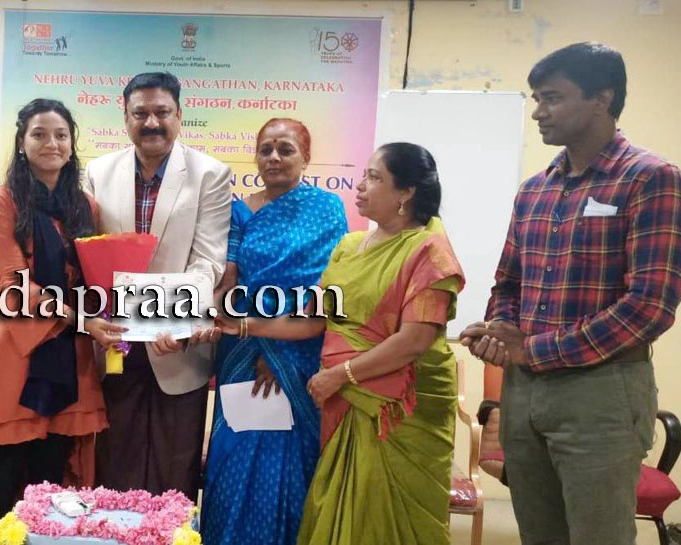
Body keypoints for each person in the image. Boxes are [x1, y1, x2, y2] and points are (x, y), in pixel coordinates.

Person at [459, 42, 681, 544]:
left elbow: (649, 306)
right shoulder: (534, 189)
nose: (538, 111)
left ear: (602, 99)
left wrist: (532, 349)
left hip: (600, 391)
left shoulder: (652, 179)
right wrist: (500, 331)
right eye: (536, 98)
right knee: (539, 534)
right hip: (524, 392)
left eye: (552, 97)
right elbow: (508, 282)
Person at [216, 142, 464, 544]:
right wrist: (243, 326)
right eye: (364, 175)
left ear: (406, 192)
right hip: (345, 400)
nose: (361, 185)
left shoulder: (430, 253)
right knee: (338, 506)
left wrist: (341, 375)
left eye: (374, 178)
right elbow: (311, 321)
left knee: (388, 514)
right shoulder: (350, 247)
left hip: (398, 405)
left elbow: (414, 340)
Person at [0, 99, 125, 545]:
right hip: (14, 350)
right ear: (21, 142)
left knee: (51, 474)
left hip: (70, 353)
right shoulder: (1, 201)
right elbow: (12, 283)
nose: (52, 143)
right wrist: (80, 319)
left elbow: (93, 278)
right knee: (5, 469)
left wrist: (107, 315)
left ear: (72, 144)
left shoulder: (85, 206)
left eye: (61, 135)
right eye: (40, 134)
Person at [198, 118, 347, 545]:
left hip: (296, 352)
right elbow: (229, 279)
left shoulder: (326, 208)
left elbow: (322, 287)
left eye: (286, 149)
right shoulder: (239, 210)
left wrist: (276, 349)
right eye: (266, 150)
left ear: (306, 157)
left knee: (286, 464)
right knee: (233, 457)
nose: (274, 158)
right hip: (240, 350)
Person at [85, 72, 232, 501]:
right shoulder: (97, 171)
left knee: (175, 469)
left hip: (178, 345)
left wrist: (168, 322)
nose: (152, 122)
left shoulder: (209, 174)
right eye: (141, 113)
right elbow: (90, 255)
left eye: (162, 112)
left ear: (179, 114)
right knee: (115, 463)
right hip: (116, 345)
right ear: (125, 117)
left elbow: (208, 261)